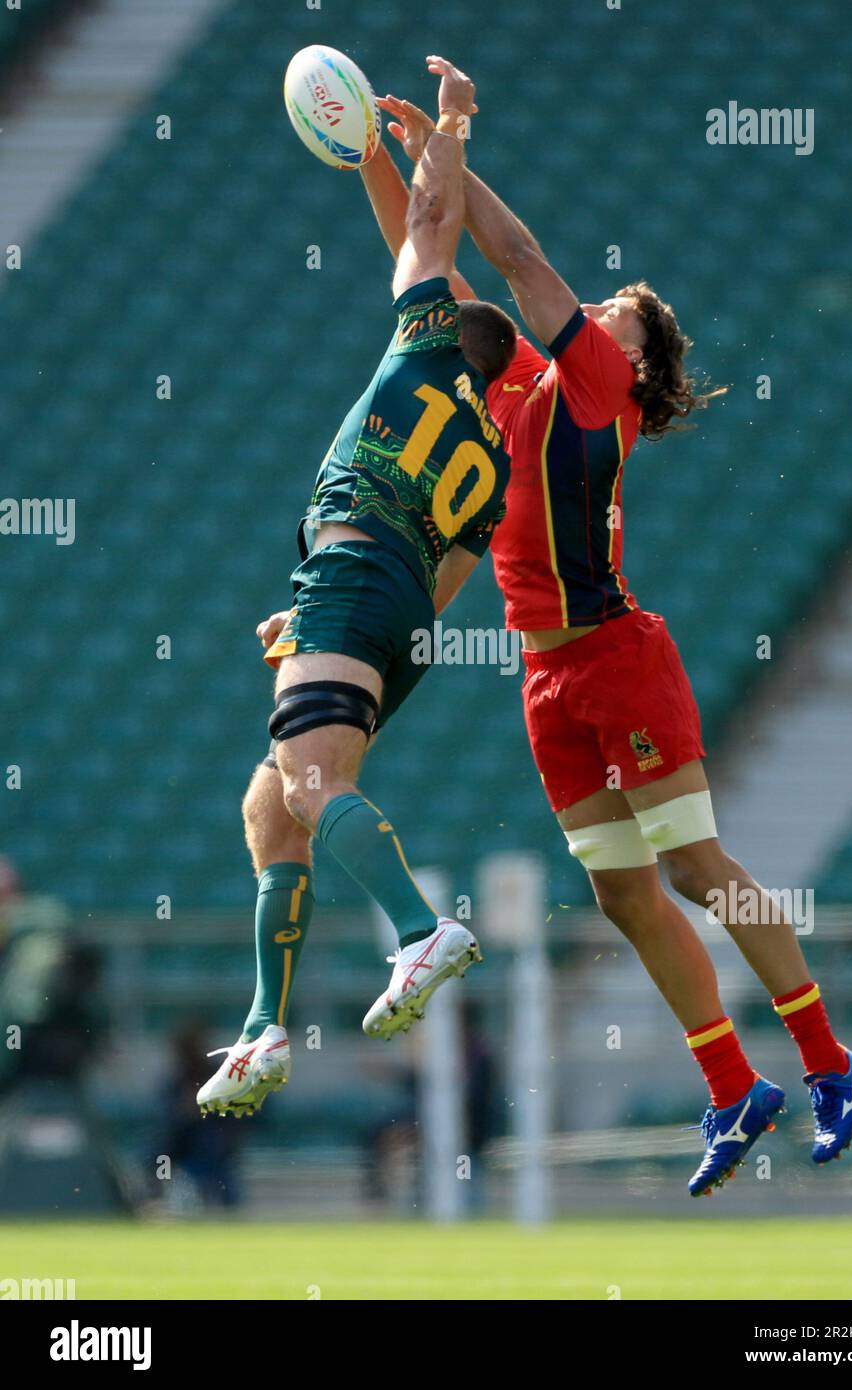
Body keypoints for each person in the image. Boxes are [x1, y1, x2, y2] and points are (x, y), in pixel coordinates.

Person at [349, 89, 852, 1197]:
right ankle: (735, 1087)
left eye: (617, 310)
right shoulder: (530, 383)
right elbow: (425, 261)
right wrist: (389, 156)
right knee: (623, 895)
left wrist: (455, 138)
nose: (595, 306)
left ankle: (830, 1063)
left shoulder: (596, 384)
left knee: (693, 867)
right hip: (546, 679)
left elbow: (519, 250)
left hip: (618, 657)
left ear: (631, 358)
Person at [196, 57, 517, 1118]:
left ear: (443, 320)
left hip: (355, 566)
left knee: (307, 788)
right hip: (397, 601)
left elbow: (429, 222)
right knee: (269, 802)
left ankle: (423, 929)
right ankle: (262, 1028)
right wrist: (339, 623)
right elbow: (452, 580)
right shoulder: (495, 460)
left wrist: (442, 134)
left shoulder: (424, 337)